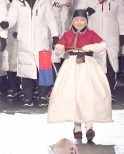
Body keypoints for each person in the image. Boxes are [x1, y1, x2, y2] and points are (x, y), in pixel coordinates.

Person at [48, 9, 112, 142]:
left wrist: (90, 47)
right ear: (72, 21)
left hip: (88, 66)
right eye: (76, 20)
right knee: (73, 95)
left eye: (82, 20)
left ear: (86, 21)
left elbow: (103, 45)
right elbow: (59, 49)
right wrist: (59, 49)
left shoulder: (91, 33)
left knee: (88, 94)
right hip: (71, 66)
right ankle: (77, 127)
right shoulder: (67, 34)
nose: (79, 23)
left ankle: (89, 126)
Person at [6, 0, 59, 106]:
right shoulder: (17, 1)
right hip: (24, 42)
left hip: (41, 41)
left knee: (43, 71)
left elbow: (51, 19)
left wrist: (55, 36)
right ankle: (27, 98)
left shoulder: (44, 1)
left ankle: (42, 96)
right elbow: (11, 17)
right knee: (26, 71)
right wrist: (6, 23)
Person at [75, 0, 124, 96]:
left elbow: (121, 15)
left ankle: (109, 93)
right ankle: (94, 93)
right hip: (92, 35)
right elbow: (77, 16)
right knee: (93, 65)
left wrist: (122, 33)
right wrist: (86, 13)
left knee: (111, 63)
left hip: (111, 35)